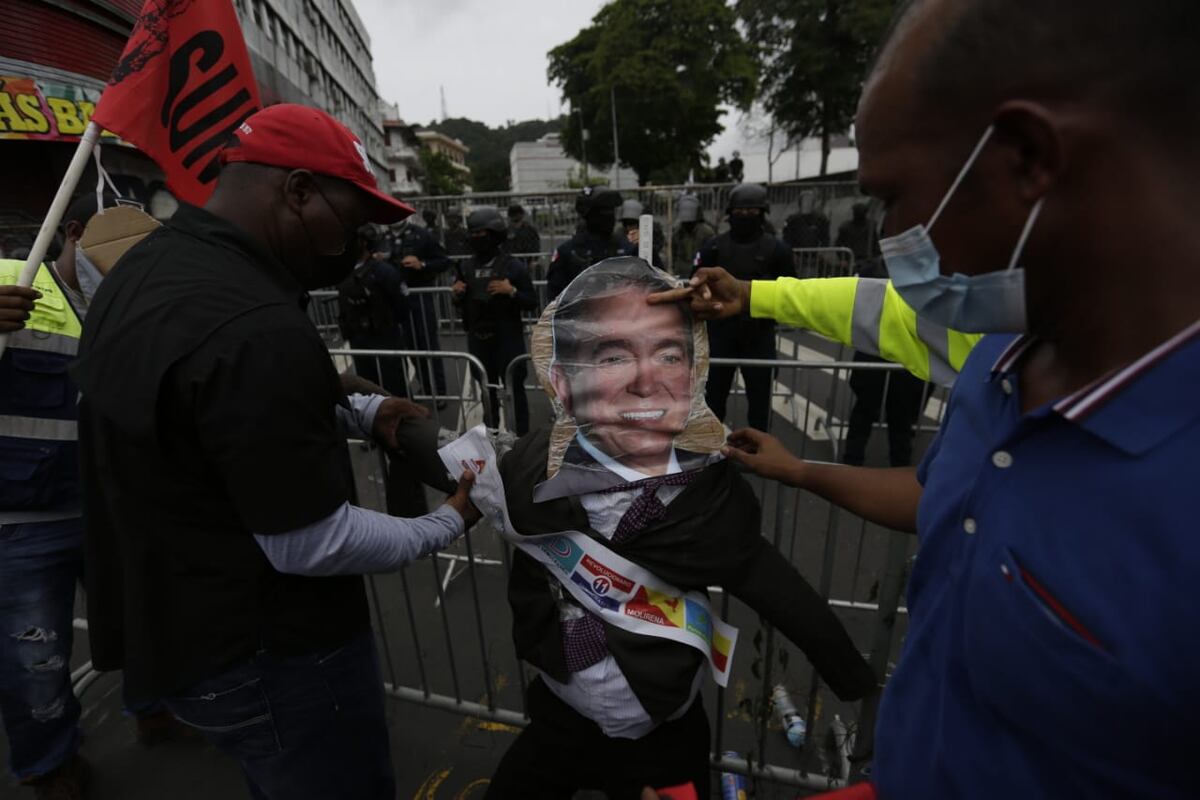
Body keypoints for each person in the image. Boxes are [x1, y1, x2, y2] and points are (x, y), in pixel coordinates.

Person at [678, 1, 1200, 796]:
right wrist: (802, 468)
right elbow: (946, 492)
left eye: (892, 196)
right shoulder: (996, 343)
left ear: (1028, 157)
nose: (889, 236)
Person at [71, 104, 481, 800]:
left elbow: (209, 408)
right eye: (352, 226)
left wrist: (361, 408)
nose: (356, 246)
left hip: (175, 637)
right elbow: (310, 543)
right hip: (271, 659)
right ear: (296, 192)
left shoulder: (147, 268)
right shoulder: (254, 326)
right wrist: (447, 521)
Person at [486, 257, 873, 799]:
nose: (647, 381)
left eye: (669, 354)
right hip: (560, 712)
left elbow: (781, 594)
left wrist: (859, 683)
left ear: (693, 375)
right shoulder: (527, 470)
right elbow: (457, 472)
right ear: (562, 382)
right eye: (614, 354)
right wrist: (369, 409)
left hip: (663, 727)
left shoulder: (711, 504)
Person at [0, 193, 104, 799]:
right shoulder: (15, 277)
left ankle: (154, 709)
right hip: (22, 522)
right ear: (73, 231)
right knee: (34, 666)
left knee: (144, 627)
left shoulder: (133, 304)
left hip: (110, 508)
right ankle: (50, 764)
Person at [694, 183, 796, 431]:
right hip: (720, 335)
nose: (746, 216)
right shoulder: (713, 247)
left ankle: (758, 455)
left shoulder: (777, 249)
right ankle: (711, 455)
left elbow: (791, 290)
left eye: (752, 211)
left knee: (760, 404)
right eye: (741, 211)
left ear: (762, 214)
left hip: (759, 335)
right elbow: (696, 280)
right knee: (713, 400)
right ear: (730, 213)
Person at [451, 207, 537, 434]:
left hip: (507, 340)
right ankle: (492, 438)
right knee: (487, 393)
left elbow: (532, 301)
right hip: (479, 340)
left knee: (514, 391)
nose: (477, 239)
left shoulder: (512, 266)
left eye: (483, 234)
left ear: (495, 234)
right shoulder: (465, 267)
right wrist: (456, 294)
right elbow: (460, 303)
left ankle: (521, 440)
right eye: (474, 234)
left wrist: (512, 292)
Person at [336, 224, 412, 397]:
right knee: (368, 390)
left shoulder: (384, 271)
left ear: (363, 242)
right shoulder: (343, 272)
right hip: (359, 339)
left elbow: (403, 305)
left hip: (385, 338)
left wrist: (388, 325)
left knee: (395, 389)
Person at [391, 208, 453, 407]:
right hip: (394, 300)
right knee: (409, 347)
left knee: (428, 345)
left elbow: (444, 261)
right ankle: (426, 387)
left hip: (420, 297)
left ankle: (440, 392)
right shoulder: (381, 238)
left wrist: (423, 264)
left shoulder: (422, 235)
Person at [546, 187, 633, 301]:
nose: (609, 216)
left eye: (611, 211)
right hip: (580, 316)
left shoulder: (626, 247)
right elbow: (555, 297)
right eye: (603, 212)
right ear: (589, 215)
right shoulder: (569, 252)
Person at [670, 194, 715, 276]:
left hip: (701, 272)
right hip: (681, 272)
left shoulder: (706, 232)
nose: (687, 224)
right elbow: (674, 253)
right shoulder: (677, 232)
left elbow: (711, 255)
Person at [616, 198, 664, 268]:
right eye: (625, 223)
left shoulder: (651, 235)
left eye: (631, 223)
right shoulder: (620, 235)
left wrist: (643, 241)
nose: (628, 227)